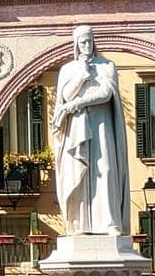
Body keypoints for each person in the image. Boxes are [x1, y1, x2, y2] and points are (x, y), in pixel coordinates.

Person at [51, 24, 129, 236]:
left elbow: (106, 93)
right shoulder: (68, 69)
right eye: (82, 42)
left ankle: (109, 222)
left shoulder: (106, 66)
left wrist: (77, 103)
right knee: (80, 172)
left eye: (89, 41)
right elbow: (65, 95)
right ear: (76, 45)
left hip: (102, 126)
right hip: (77, 128)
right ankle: (81, 223)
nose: (87, 45)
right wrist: (82, 76)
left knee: (105, 169)